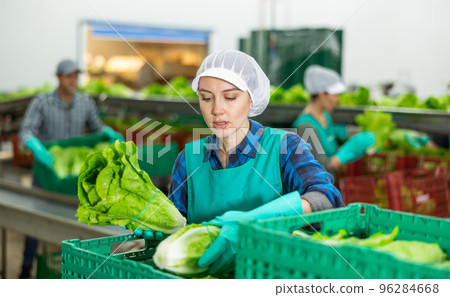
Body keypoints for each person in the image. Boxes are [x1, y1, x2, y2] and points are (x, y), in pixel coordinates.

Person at [167, 50, 344, 274]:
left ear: (252, 99)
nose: (216, 110)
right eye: (206, 97)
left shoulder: (286, 147)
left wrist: (257, 219)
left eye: (230, 97)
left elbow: (326, 198)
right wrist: (159, 227)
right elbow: (178, 226)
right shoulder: (188, 159)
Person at [18, 59, 123, 278]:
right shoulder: (42, 102)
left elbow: (96, 129)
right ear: (58, 77)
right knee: (35, 221)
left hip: (73, 176)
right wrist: (35, 147)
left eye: (76, 76)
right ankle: (26, 268)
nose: (73, 80)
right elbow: (25, 131)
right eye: (69, 76)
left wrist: (107, 132)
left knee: (74, 221)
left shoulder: (84, 103)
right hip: (46, 171)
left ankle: (74, 269)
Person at [292, 65, 376, 172]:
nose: (338, 100)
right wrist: (348, 151)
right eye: (335, 95)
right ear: (322, 94)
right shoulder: (305, 126)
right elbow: (322, 168)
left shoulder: (325, 115)